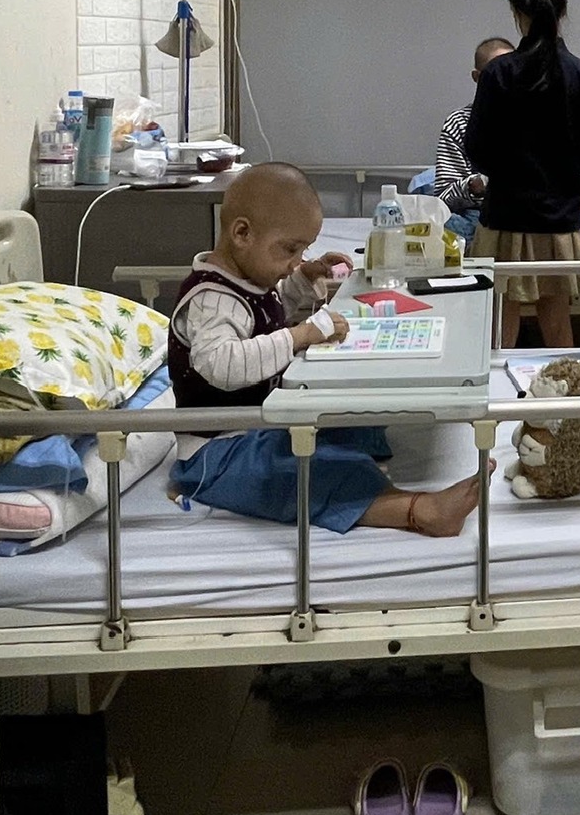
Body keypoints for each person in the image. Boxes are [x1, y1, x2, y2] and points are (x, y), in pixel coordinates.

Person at [166, 162, 485, 536]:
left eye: (302, 251)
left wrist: (304, 279)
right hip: (215, 455)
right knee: (310, 471)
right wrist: (300, 336)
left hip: (259, 428)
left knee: (345, 416)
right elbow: (223, 365)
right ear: (242, 233)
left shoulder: (247, 280)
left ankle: (360, 457)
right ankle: (420, 510)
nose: (294, 262)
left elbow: (267, 315)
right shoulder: (211, 300)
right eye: (290, 250)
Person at [465, 0, 580, 348]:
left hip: (505, 217)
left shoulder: (498, 74)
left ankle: (492, 390)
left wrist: (514, 171)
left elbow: (477, 149)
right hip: (560, 220)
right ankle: (566, 388)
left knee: (499, 329)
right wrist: (554, 173)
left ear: (516, 12)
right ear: (562, 10)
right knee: (558, 324)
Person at [435, 37, 515, 215]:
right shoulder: (459, 123)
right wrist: (475, 185)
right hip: (479, 214)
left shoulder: (536, 119)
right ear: (477, 77)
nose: (504, 80)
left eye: (510, 72)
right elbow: (443, 197)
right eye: (495, 73)